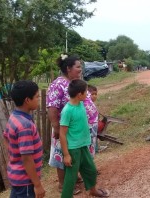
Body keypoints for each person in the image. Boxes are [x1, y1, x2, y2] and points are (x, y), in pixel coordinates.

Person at [46, 54, 98, 194]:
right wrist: (56, 127)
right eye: (78, 67)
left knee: (79, 154)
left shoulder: (75, 82)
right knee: (64, 154)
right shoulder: (57, 84)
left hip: (81, 128)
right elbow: (52, 107)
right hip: (66, 128)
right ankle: (64, 184)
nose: (80, 69)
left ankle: (77, 176)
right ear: (68, 68)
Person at [60, 79, 109, 197]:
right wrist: (66, 155)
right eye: (86, 92)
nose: (88, 94)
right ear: (79, 94)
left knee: (91, 170)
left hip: (83, 146)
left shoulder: (81, 103)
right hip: (73, 149)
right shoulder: (67, 110)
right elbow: (62, 134)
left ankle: (93, 190)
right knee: (70, 179)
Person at [3, 80, 45, 198]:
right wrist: (37, 185)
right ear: (27, 100)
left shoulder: (14, 117)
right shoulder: (24, 125)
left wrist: (13, 158)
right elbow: (27, 158)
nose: (39, 99)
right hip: (26, 181)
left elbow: (5, 138)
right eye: (37, 97)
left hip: (17, 176)